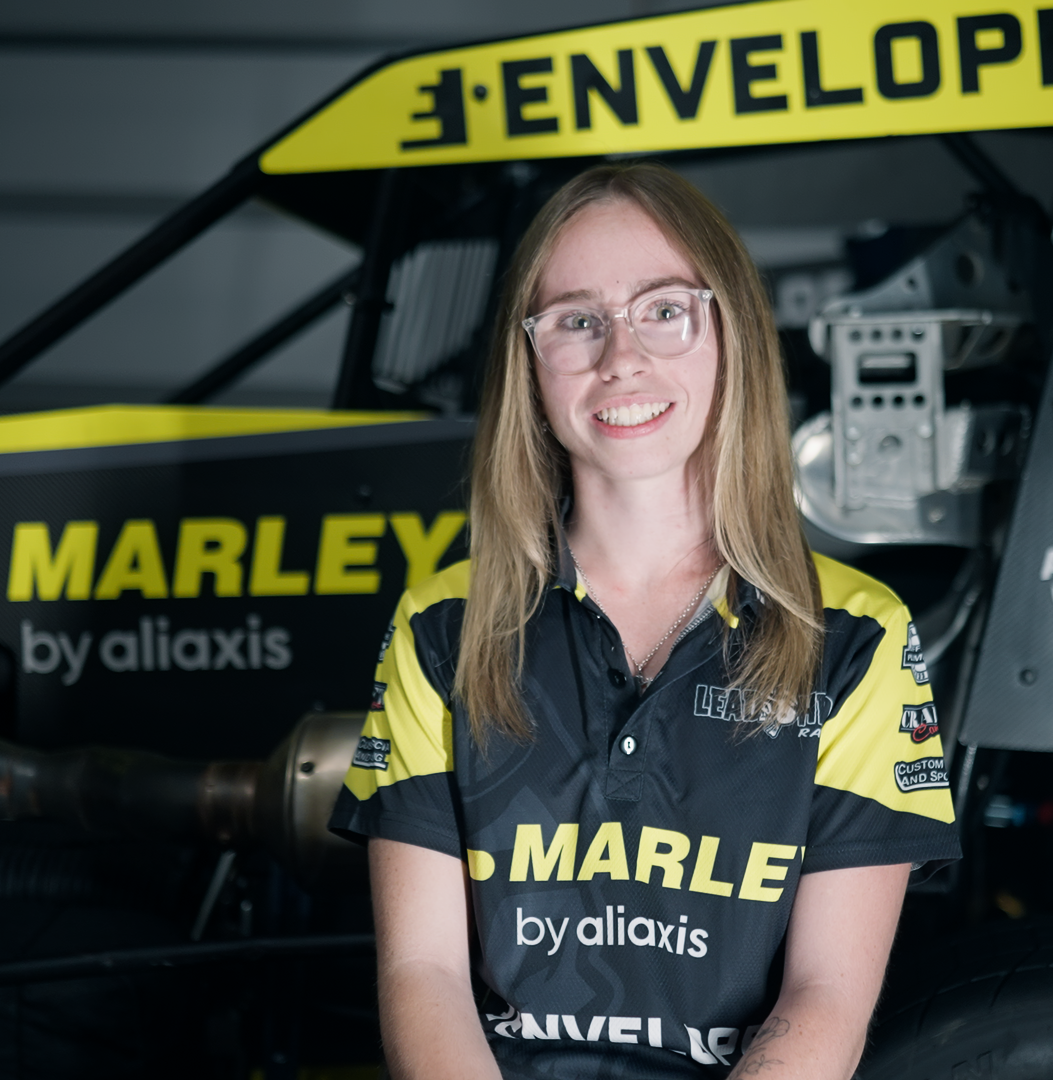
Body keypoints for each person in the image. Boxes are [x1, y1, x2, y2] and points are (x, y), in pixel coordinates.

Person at [331, 162, 959, 1080]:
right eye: (577, 320)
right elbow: (422, 976)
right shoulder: (443, 624)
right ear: (529, 362)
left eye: (664, 308)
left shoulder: (856, 635)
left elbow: (825, 998)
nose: (621, 357)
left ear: (731, 327)